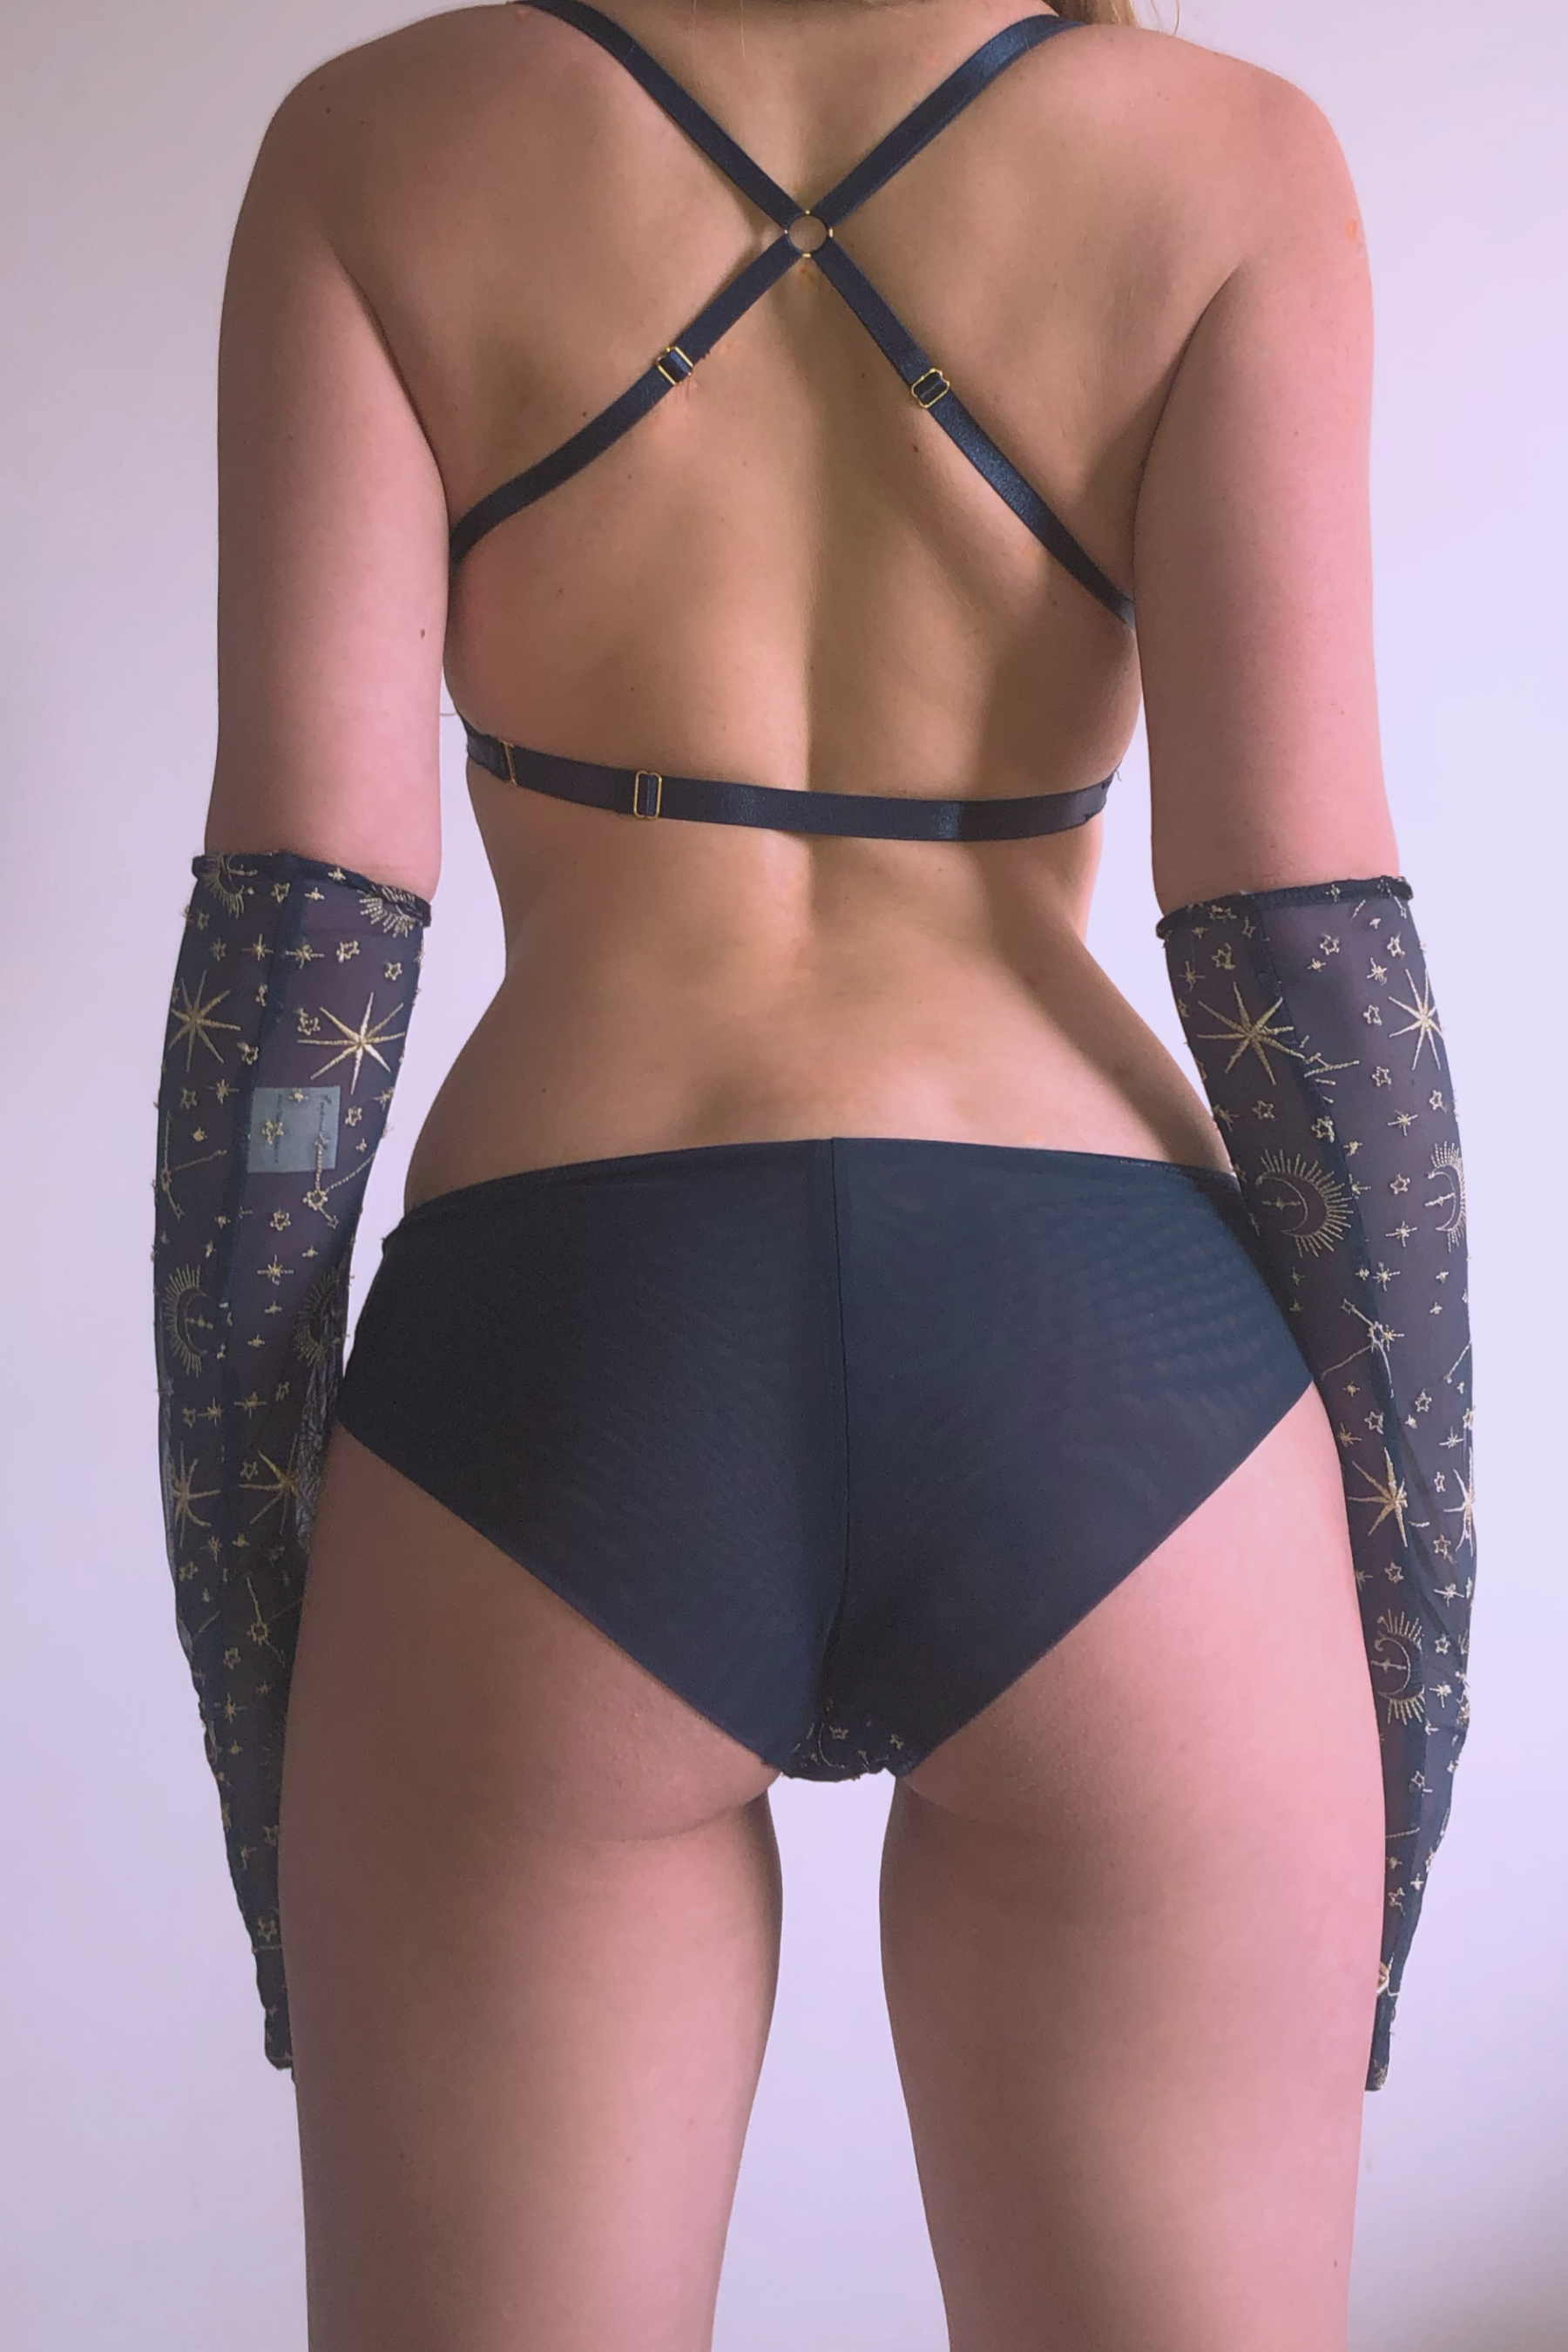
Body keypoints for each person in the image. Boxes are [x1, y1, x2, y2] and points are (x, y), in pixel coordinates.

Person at [152, 0, 1475, 2344]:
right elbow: (1317, 983)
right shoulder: (1226, 160)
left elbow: (288, 1005)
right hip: (1111, 1382)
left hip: (565, 1357)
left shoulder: (378, 147)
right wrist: (1414, 1687)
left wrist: (269, 1721)